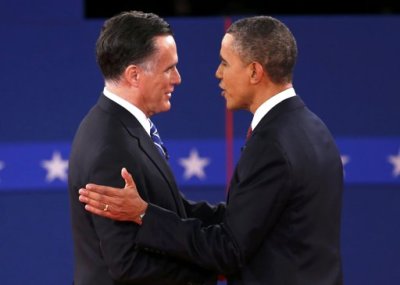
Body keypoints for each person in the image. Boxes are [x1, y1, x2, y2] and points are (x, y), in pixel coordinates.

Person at [79, 15, 344, 285]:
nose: (218, 73)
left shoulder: (272, 143)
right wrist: (155, 210)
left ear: (254, 72)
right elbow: (254, 217)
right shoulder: (312, 128)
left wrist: (145, 214)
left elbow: (229, 248)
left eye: (225, 63)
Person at [68, 10, 218, 285]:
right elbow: (128, 265)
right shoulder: (111, 147)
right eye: (169, 68)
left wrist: (238, 219)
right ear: (134, 75)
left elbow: (169, 207)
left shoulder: (120, 125)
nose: (178, 79)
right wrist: (215, 269)